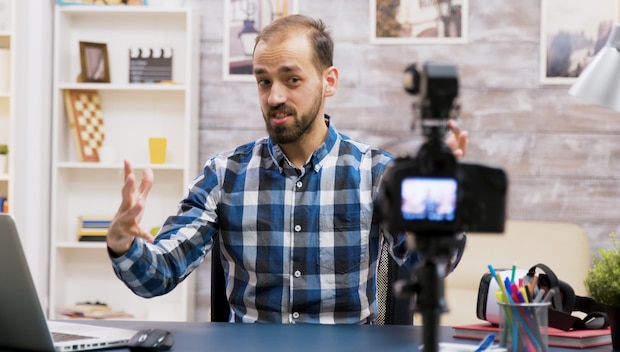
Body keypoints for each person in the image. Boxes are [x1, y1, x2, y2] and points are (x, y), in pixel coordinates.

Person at [106, 14, 468, 324]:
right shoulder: (223, 174)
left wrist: (438, 197)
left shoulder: (377, 173)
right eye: (264, 81)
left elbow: (431, 263)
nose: (274, 97)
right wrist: (124, 246)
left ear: (329, 81)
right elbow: (159, 273)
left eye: (291, 79)